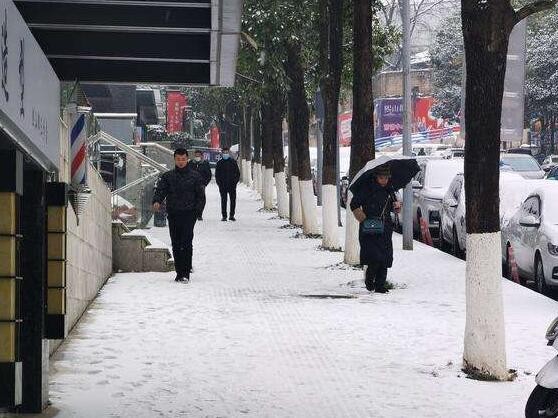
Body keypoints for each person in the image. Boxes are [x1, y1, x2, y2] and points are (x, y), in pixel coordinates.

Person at [152, 148, 205, 282]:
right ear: (174, 160)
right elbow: (161, 190)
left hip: (189, 214)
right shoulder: (168, 176)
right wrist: (157, 201)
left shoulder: (195, 176)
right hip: (174, 213)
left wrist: (197, 211)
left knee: (186, 242)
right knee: (176, 243)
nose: (181, 162)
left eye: (183, 159)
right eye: (178, 159)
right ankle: (179, 272)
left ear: (187, 159)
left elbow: (200, 196)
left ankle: (186, 272)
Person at [350, 165, 401, 293]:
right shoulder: (367, 189)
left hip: (386, 227)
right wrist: (363, 219)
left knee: (385, 257)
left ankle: (380, 285)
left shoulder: (391, 190)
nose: (384, 180)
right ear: (376, 177)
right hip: (370, 227)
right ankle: (369, 279)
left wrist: (397, 207)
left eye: (386, 178)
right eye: (381, 178)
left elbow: (395, 209)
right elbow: (354, 204)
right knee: (374, 257)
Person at [215, 147, 240, 222]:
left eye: (227, 152)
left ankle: (232, 215)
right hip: (223, 186)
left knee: (233, 200)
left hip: (232, 185)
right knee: (223, 201)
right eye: (224, 152)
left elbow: (237, 174)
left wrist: (235, 182)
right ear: (222, 153)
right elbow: (217, 175)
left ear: (229, 153)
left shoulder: (233, 162)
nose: (225, 154)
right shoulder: (219, 163)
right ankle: (224, 216)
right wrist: (219, 183)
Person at [190, 150, 212, 221]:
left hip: (201, 185)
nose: (197, 157)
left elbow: (209, 175)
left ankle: (199, 214)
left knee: (201, 200)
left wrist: (205, 183)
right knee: (192, 199)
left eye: (198, 155)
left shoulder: (205, 163)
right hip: (191, 185)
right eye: (196, 155)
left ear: (201, 156)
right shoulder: (190, 163)